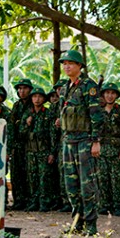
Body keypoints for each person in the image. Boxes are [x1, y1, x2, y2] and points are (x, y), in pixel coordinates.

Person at [59, 50, 103, 236]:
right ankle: (77, 222)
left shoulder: (88, 86)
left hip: (85, 141)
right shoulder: (65, 87)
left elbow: (96, 115)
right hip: (68, 141)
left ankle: (91, 225)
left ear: (79, 66)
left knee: (87, 184)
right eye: (64, 63)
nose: (67, 66)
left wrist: (96, 141)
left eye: (71, 63)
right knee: (71, 185)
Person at [19, 86, 55, 212]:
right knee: (32, 177)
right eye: (34, 96)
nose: (37, 99)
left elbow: (53, 135)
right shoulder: (27, 114)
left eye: (39, 96)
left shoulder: (48, 113)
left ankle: (44, 202)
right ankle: (34, 201)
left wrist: (52, 153)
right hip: (31, 151)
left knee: (44, 177)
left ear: (44, 99)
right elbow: (21, 133)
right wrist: (27, 124)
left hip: (44, 151)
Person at [98, 83, 120, 216]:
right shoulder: (98, 112)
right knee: (103, 178)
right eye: (107, 93)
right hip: (102, 149)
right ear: (103, 95)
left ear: (117, 95)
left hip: (117, 150)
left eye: (112, 93)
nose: (110, 96)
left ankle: (118, 205)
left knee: (117, 179)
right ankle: (105, 205)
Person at [10, 78, 33, 210]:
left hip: (29, 145)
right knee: (16, 174)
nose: (22, 91)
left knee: (28, 174)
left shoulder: (33, 105)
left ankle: (28, 200)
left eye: (24, 88)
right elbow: (12, 125)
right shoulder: (16, 106)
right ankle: (18, 200)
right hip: (17, 145)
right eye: (19, 89)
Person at [50, 79, 72, 212]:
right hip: (60, 143)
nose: (60, 91)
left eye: (62, 88)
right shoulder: (54, 106)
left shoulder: (74, 104)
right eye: (58, 89)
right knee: (62, 172)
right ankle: (65, 201)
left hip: (74, 142)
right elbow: (51, 130)